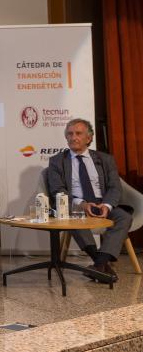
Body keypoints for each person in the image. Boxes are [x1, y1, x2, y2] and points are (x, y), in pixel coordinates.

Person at [46, 118, 132, 283]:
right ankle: (100, 263)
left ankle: (98, 265)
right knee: (71, 213)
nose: (73, 137)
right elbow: (58, 191)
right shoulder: (57, 161)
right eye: (70, 134)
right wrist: (83, 204)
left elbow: (115, 187)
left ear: (89, 138)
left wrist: (106, 206)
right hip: (77, 205)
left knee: (124, 217)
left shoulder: (105, 159)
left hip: (102, 203)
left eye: (78, 133)